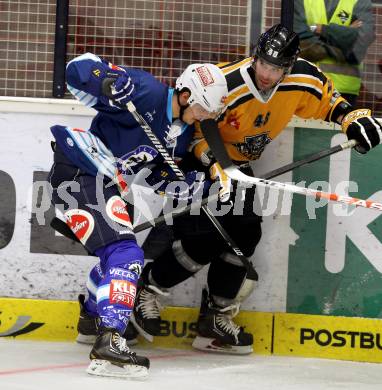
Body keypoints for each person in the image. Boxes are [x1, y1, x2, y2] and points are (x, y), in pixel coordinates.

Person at [130, 23, 382, 355]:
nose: (267, 73)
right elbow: (193, 127)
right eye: (264, 63)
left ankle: (214, 319)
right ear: (255, 56)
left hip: (239, 169)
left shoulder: (303, 79)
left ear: (288, 67)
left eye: (276, 67)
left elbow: (332, 104)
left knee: (246, 236)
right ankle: (148, 290)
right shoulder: (228, 83)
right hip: (204, 162)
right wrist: (216, 165)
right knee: (207, 237)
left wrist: (355, 118)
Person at [48, 52, 228, 378]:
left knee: (113, 259)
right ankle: (110, 339)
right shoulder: (146, 90)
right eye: (202, 109)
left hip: (102, 183)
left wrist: (197, 186)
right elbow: (75, 70)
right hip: (81, 169)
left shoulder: (181, 133)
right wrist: (104, 79)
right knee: (127, 253)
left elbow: (160, 173)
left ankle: (91, 319)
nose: (203, 118)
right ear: (185, 95)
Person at [294, 0, 375, 106]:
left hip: (344, 91)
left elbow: (363, 39)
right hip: (305, 84)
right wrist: (344, 34)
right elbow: (297, 35)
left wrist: (320, 29)